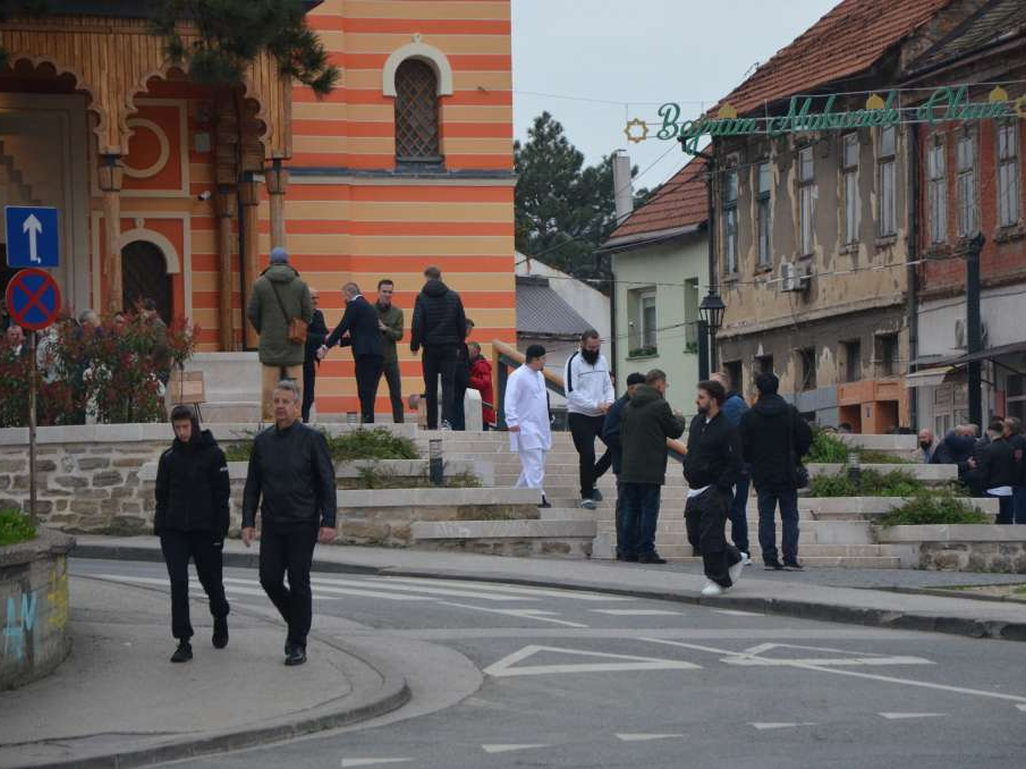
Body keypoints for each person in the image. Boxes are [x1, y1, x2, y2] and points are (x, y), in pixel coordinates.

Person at [241, 380, 337, 666]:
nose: (280, 407)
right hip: (273, 522)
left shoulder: (312, 439)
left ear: (296, 406)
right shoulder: (262, 442)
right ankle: (297, 622)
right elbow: (252, 485)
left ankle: (297, 643)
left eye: (286, 402)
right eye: (277, 402)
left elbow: (326, 482)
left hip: (302, 522)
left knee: (298, 581)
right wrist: (248, 521)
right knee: (268, 578)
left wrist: (328, 520)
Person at [154, 405, 231, 664]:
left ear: (194, 425)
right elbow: (161, 496)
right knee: (179, 583)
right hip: (174, 531)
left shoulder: (214, 455)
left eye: (186, 427)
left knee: (211, 583)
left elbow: (223, 498)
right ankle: (183, 640)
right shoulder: (168, 458)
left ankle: (220, 615)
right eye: (177, 428)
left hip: (205, 531)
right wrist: (161, 528)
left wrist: (220, 533)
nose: (182, 432)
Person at [739, 373, 813, 571]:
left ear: (759, 390)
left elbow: (742, 445)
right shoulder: (789, 412)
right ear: (777, 388)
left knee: (766, 516)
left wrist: (752, 460)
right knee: (789, 516)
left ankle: (770, 558)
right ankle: (790, 557)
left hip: (762, 473)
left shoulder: (750, 416)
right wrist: (795, 455)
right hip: (787, 471)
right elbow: (805, 436)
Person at [683, 379, 744, 595]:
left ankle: (717, 579)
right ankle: (734, 557)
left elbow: (735, 461)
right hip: (695, 487)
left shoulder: (727, 428)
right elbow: (692, 450)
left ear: (714, 401)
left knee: (711, 535)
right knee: (695, 536)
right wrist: (687, 469)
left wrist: (722, 485)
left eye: (701, 397)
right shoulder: (698, 423)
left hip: (716, 489)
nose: (697, 401)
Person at [619, 369, 686, 564]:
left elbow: (622, 435)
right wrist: (679, 418)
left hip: (629, 467)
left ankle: (627, 549)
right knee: (649, 509)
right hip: (650, 467)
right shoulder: (660, 405)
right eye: (665, 385)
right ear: (658, 384)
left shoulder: (629, 406)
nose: (665, 389)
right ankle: (646, 550)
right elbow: (674, 431)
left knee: (630, 509)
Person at [246, 247, 314, 421]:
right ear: (287, 262)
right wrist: (298, 326)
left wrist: (264, 329)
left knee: (269, 387)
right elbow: (308, 312)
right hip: (295, 342)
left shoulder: (260, 284)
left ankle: (269, 419)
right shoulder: (300, 284)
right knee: (296, 386)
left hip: (270, 343)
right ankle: (296, 417)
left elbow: (252, 312)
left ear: (270, 262)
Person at [410, 266, 467, 430]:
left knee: (431, 387)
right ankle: (446, 422)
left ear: (427, 278)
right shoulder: (454, 297)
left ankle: (432, 423)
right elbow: (461, 324)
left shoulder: (421, 298)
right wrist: (458, 344)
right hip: (450, 348)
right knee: (448, 385)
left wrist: (415, 345)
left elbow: (417, 324)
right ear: (441, 277)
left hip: (430, 348)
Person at [564, 329, 615, 510]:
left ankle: (591, 476)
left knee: (617, 445)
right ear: (582, 345)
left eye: (597, 347)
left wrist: (609, 402)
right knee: (587, 454)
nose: (594, 351)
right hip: (580, 415)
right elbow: (571, 392)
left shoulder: (602, 360)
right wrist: (595, 404)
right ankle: (586, 494)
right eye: (591, 347)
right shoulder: (573, 362)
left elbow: (608, 385)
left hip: (601, 415)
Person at [320, 282, 384, 423]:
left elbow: (343, 326)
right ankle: (368, 422)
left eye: (344, 296)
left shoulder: (354, 305)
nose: (344, 299)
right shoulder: (368, 307)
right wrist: (339, 342)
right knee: (369, 393)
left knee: (364, 392)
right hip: (377, 356)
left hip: (365, 356)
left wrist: (326, 347)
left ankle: (367, 425)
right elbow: (361, 334)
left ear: (349, 293)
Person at [603, 372, 646, 560]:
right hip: (624, 464)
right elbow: (609, 434)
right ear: (630, 388)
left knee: (636, 506)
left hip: (639, 465)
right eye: (638, 389)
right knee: (626, 506)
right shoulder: (619, 407)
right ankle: (624, 545)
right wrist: (630, 443)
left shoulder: (641, 406)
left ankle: (635, 544)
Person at [504, 344, 551, 508]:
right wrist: (512, 421)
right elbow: (510, 399)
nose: (545, 361)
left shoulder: (540, 376)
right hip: (525, 427)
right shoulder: (517, 376)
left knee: (534, 464)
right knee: (534, 463)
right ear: (536, 359)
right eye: (544, 358)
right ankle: (538, 496)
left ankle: (516, 494)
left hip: (542, 426)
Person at [712, 371, 751, 565]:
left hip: (735, 468)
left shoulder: (732, 406)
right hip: (737, 467)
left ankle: (741, 549)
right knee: (734, 509)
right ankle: (739, 549)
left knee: (734, 509)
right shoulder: (731, 404)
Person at [970, 419, 1017, 523]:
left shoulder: (988, 449)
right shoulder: (1010, 448)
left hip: (992, 490)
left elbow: (984, 471)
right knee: (1007, 521)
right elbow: (1014, 468)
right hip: (1008, 490)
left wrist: (983, 487)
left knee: (995, 522)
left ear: (991, 431)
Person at [375, 279, 405, 423]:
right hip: (373, 358)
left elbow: (400, 335)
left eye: (390, 292)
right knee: (369, 394)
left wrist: (386, 329)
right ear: (378, 292)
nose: (387, 294)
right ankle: (367, 425)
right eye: (384, 291)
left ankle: (400, 424)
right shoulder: (369, 310)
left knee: (396, 395)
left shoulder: (398, 312)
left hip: (391, 359)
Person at [301, 288, 329, 423]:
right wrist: (323, 337)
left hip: (311, 359)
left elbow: (324, 333)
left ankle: (305, 420)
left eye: (317, 298)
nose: (316, 301)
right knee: (298, 394)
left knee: (309, 396)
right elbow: (302, 336)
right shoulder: (298, 314)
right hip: (298, 359)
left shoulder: (318, 315)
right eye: (312, 298)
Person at [452, 319, 475, 430]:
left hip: (454, 381)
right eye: (469, 329)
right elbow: (460, 366)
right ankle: (458, 428)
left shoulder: (457, 343)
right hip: (458, 383)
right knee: (458, 407)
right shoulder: (459, 345)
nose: (470, 332)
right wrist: (466, 382)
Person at [467, 341, 495, 429]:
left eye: (469, 351)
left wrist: (469, 379)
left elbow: (485, 383)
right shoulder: (476, 365)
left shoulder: (481, 366)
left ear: (476, 352)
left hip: (482, 408)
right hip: (481, 407)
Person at [1006, 417, 1026, 525]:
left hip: (1019, 482)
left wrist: (1014, 479)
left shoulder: (1017, 440)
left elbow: (1017, 460)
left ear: (1010, 428)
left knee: (1020, 509)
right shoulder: (1012, 440)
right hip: (1018, 481)